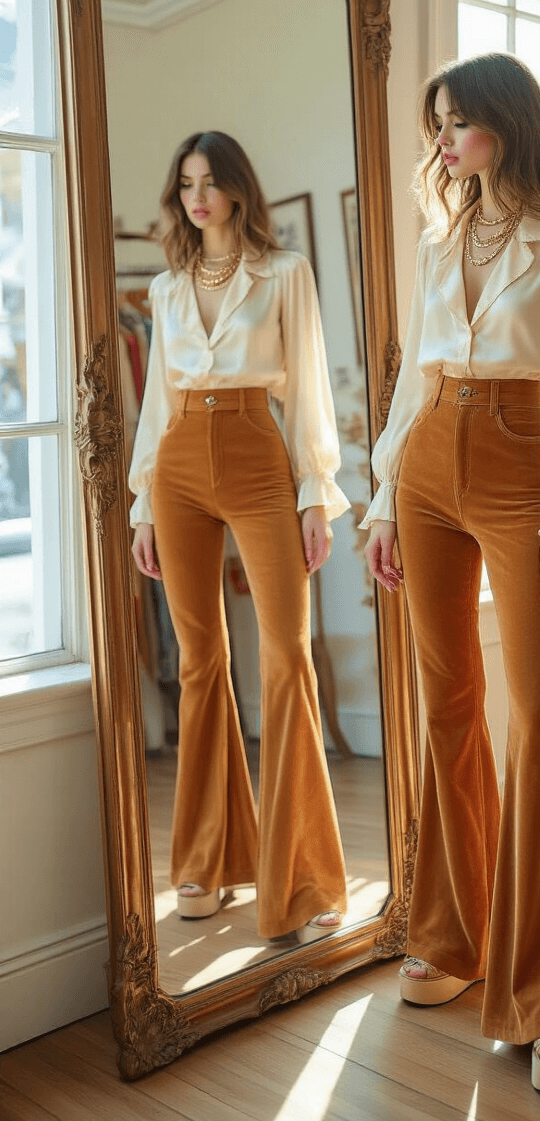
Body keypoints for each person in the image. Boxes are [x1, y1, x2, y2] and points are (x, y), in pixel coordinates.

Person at [362, 54, 540, 1094]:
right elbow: (410, 379)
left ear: (505, 126)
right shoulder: (437, 242)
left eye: (456, 123)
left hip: (524, 463)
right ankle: (454, 932)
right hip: (426, 459)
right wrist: (383, 496)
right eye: (435, 125)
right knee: (446, 704)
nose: (440, 143)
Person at [129, 130, 349, 943]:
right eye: (185, 182)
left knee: (287, 656)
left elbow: (310, 391)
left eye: (211, 180)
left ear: (237, 190)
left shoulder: (285, 273)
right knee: (199, 662)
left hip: (260, 454)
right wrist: (143, 505)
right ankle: (208, 861)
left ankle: (303, 877)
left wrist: (314, 495)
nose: (197, 195)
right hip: (179, 462)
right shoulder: (165, 287)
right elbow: (157, 399)